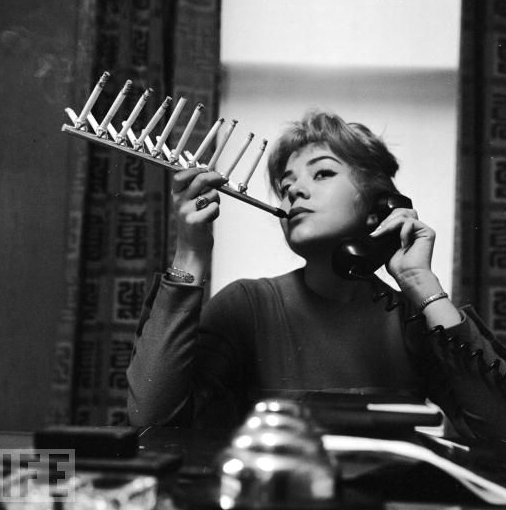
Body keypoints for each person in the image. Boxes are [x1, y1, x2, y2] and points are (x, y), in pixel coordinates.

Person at [127, 111, 506, 438]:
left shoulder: (410, 320)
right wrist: (191, 251)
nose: (295, 191)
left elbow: (498, 431)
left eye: (322, 173)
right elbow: (152, 422)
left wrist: (420, 283)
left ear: (379, 208)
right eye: (286, 185)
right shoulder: (246, 306)